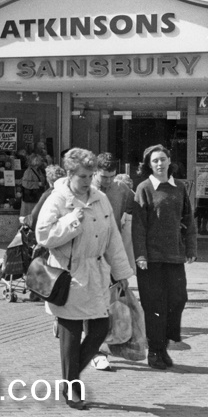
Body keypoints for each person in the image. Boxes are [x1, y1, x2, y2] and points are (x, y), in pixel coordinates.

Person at [36, 148, 133, 410]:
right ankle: (72, 387)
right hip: (68, 276)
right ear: (69, 174)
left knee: (100, 328)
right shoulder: (57, 199)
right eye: (83, 176)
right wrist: (70, 222)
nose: (89, 181)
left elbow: (113, 238)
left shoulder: (100, 198)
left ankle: (68, 378)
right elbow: (43, 236)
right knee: (71, 332)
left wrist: (122, 273)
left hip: (96, 273)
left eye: (91, 176)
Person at [133, 144, 198, 370]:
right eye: (155, 161)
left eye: (163, 159)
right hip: (150, 259)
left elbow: (188, 220)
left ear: (169, 161)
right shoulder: (144, 188)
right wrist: (140, 254)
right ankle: (155, 351)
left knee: (178, 299)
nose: (159, 164)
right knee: (154, 305)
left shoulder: (179, 188)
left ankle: (164, 344)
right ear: (149, 165)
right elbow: (138, 226)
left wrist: (190, 248)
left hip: (174, 255)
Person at [90, 152, 140, 371]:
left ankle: (99, 348)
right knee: (91, 303)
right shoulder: (84, 188)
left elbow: (131, 223)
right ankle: (95, 349)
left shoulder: (122, 191)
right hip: (88, 256)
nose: (107, 182)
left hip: (110, 256)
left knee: (106, 304)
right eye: (103, 177)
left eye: (111, 176)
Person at [19, 154, 47, 220]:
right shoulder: (29, 171)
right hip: (30, 197)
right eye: (39, 160)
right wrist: (37, 184)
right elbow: (25, 183)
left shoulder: (39, 170)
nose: (40, 162)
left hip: (36, 196)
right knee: (29, 214)